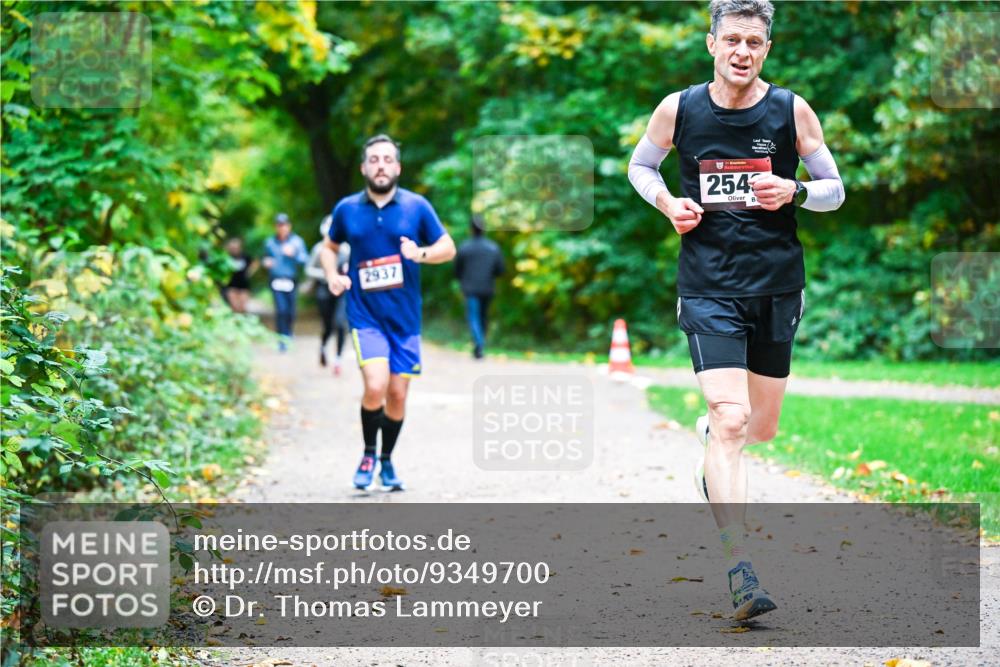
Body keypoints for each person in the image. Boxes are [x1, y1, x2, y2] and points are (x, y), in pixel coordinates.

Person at [627, 0, 844, 621]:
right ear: (711, 44)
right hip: (707, 285)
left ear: (766, 49)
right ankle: (740, 569)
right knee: (729, 419)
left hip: (776, 286)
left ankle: (715, 442)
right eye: (733, 40)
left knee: (760, 429)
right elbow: (641, 167)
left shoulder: (791, 110)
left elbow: (835, 190)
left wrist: (796, 190)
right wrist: (668, 202)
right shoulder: (680, 108)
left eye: (754, 41)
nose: (743, 51)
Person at [320, 134, 456, 491]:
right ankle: (367, 454)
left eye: (387, 160)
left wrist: (421, 254)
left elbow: (447, 247)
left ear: (398, 167)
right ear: (364, 167)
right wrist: (333, 275)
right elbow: (328, 247)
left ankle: (386, 461)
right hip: (365, 315)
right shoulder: (347, 209)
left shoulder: (417, 207)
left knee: (397, 395)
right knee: (376, 385)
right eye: (374, 160)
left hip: (405, 319)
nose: (381, 166)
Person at [454, 214, 505, 359]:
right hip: (488, 288)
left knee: (474, 317)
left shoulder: (465, 248)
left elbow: (457, 271)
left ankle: (479, 344)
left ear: (471, 228)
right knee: (483, 317)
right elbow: (500, 270)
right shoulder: (493, 248)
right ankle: (480, 344)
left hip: (470, 289)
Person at [305, 216, 351, 374]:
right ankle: (324, 347)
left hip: (343, 291)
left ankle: (338, 359)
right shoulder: (319, 249)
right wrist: (328, 275)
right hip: (325, 289)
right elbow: (308, 269)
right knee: (328, 326)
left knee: (340, 324)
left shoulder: (347, 249)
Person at [263, 213, 309, 352]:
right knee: (281, 310)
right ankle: (282, 338)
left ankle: (288, 333)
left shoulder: (297, 241)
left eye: (284, 225)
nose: (281, 228)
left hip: (291, 280)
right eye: (279, 225)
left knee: (290, 311)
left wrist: (294, 253)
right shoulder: (270, 242)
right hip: (276, 279)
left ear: (289, 226)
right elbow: (265, 258)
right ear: (276, 227)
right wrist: (266, 262)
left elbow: (305, 259)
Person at [223, 237, 256, 314]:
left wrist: (249, 272)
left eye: (236, 247)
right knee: (234, 308)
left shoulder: (245, 257)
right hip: (231, 285)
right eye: (233, 247)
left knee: (243, 308)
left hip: (243, 285)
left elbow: (255, 262)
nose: (235, 249)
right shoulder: (227, 257)